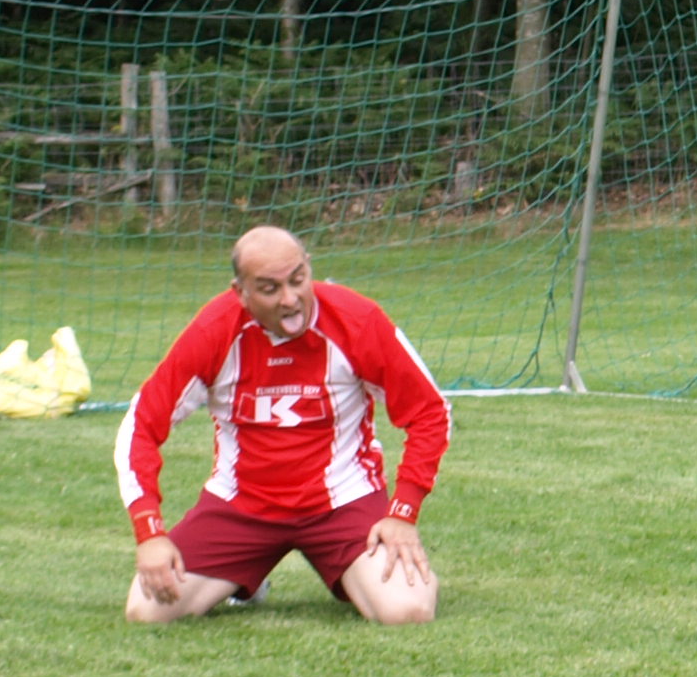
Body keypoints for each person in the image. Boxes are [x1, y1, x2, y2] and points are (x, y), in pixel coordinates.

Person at [115, 223, 450, 628]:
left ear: (309, 267)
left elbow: (430, 411)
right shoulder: (214, 330)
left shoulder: (356, 320)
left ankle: (377, 573)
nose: (290, 299)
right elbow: (140, 426)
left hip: (343, 502)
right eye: (270, 289)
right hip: (241, 507)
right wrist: (149, 532)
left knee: (407, 611)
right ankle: (245, 576)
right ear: (240, 292)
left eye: (298, 279)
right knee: (147, 612)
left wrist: (402, 512)